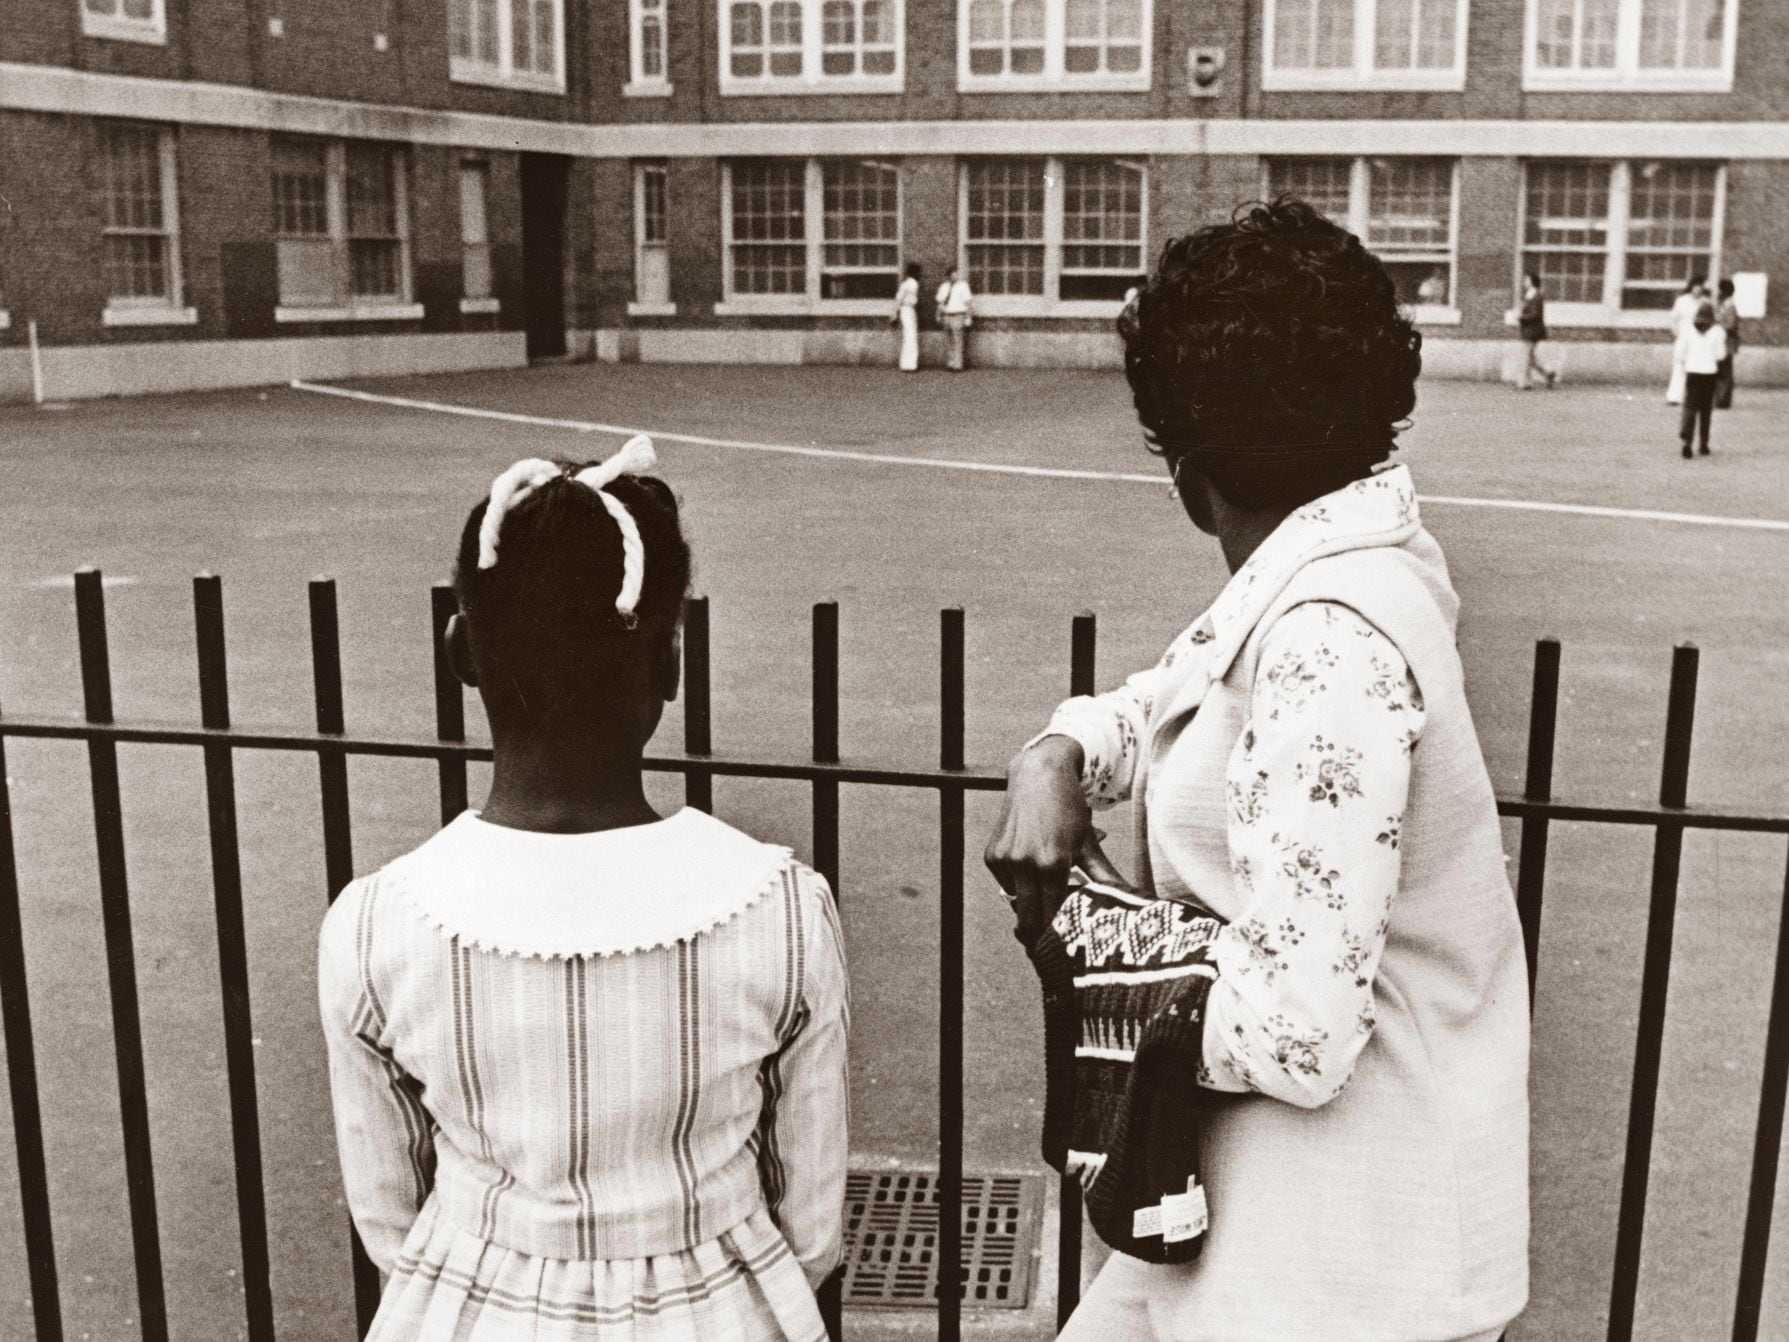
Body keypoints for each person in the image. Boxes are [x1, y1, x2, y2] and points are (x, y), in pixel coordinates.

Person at [984, 199, 1529, 1342]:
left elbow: (1296, 1029)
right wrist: (1066, 745)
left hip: (1343, 1259)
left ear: (1187, 472)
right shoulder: (1340, 560)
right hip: (1281, 1220)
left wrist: (1097, 950)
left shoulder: (1332, 629)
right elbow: (1186, 687)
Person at [319, 440, 850, 1342]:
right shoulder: (777, 907)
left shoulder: (377, 924)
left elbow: (386, 1212)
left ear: (461, 651)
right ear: (672, 665)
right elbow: (812, 1215)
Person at [1677, 299, 1726, 458]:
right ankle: (1704, 444)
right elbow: (1721, 355)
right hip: (1709, 373)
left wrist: (1686, 362)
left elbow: (1679, 353)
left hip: (1692, 372)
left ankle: (1687, 442)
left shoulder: (1687, 329)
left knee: (1690, 406)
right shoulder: (1718, 331)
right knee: (1706, 410)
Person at [1666, 274, 1707, 404]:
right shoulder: (1682, 301)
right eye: (1696, 286)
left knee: (1696, 367)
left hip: (1699, 339)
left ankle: (1693, 397)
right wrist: (1677, 334)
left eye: (1700, 286)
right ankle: (1674, 397)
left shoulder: (1705, 302)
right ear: (1691, 287)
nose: (1698, 289)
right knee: (1679, 366)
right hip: (1683, 337)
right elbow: (1673, 319)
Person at [1517, 271, 1558, 390]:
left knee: (1526, 356)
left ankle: (1525, 383)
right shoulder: (1530, 295)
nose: (1524, 282)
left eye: (1526, 280)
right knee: (1530, 357)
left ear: (1532, 282)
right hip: (1530, 329)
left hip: (1533, 330)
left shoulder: (1536, 296)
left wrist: (1521, 317)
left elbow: (1535, 314)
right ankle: (1548, 374)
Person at [936, 266, 974, 372]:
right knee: (948, 341)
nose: (955, 276)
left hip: (958, 315)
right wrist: (938, 315)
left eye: (956, 274)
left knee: (958, 340)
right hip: (946, 315)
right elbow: (940, 302)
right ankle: (950, 363)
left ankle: (958, 365)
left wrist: (968, 317)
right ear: (948, 276)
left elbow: (968, 303)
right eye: (953, 274)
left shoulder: (963, 286)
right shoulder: (944, 287)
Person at [1715, 276, 1741, 408]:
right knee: (1723, 370)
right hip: (1724, 342)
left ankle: (1723, 400)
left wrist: (1717, 324)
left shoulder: (1729, 306)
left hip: (1727, 342)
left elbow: (1729, 325)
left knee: (1724, 371)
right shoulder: (1725, 304)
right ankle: (1721, 398)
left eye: (1721, 290)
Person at [893, 262, 922, 372]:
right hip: (908, 309)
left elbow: (899, 299)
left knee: (908, 336)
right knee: (911, 336)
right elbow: (899, 299)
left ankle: (907, 364)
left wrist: (895, 312)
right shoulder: (912, 283)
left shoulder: (905, 283)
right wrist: (895, 313)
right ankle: (910, 365)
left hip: (907, 309)